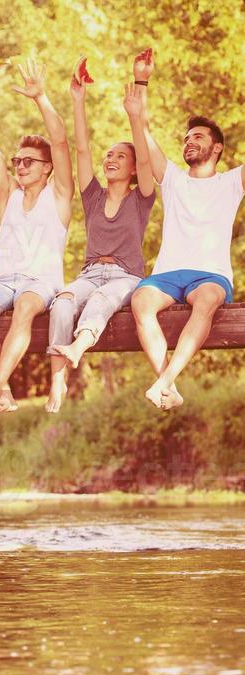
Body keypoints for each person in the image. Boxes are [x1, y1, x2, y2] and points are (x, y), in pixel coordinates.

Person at [129, 52, 245, 409]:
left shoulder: (232, 181)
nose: (189, 141)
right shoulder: (174, 180)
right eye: (186, 137)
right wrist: (141, 82)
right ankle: (169, 385)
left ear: (217, 148)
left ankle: (164, 381)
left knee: (208, 300)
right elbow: (142, 134)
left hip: (210, 276)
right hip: (167, 275)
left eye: (198, 136)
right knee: (140, 301)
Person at [48, 54, 156, 412]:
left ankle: (78, 348)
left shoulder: (141, 198)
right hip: (90, 273)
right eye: (108, 155)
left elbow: (145, 156)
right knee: (63, 302)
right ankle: (57, 381)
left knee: (98, 302)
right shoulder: (92, 196)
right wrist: (78, 100)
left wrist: (136, 105)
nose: (110, 159)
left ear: (133, 169)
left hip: (125, 277)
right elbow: (81, 149)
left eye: (119, 157)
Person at [0, 59, 74, 414]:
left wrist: (41, 98)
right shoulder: (10, 194)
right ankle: (6, 391)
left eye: (29, 161)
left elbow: (60, 142)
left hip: (39, 281)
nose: (21, 165)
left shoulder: (58, 196)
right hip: (2, 279)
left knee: (26, 308)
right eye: (18, 160)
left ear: (47, 168)